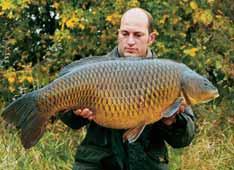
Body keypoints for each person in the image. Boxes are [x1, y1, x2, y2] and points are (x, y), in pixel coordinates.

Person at [59, 8, 196, 170]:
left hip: (148, 165)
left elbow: (183, 140)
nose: (130, 41)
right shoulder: (95, 70)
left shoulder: (168, 75)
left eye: (137, 35)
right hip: (97, 164)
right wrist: (77, 114)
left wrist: (171, 121)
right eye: (125, 34)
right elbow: (69, 121)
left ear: (151, 38)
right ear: (118, 34)